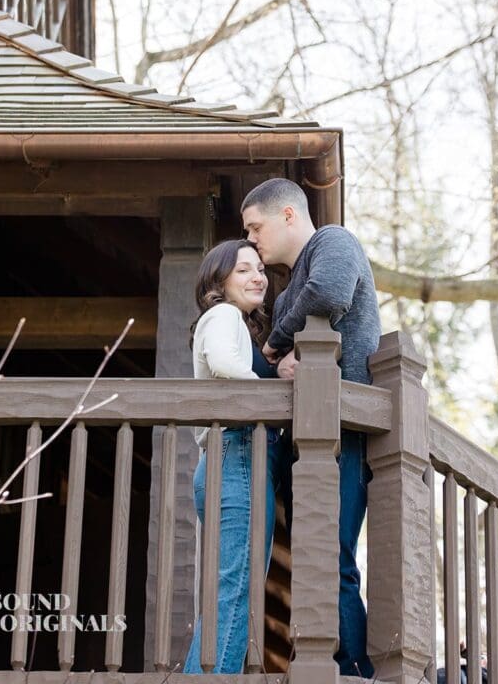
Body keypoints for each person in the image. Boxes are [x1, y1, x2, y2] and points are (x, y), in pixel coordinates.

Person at [241, 178, 380, 679]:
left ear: (287, 215)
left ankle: (354, 670)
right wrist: (277, 360)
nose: (251, 239)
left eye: (255, 227)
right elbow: (281, 363)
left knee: (334, 558)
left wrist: (275, 343)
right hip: (302, 444)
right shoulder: (284, 298)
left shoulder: (333, 242)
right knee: (313, 560)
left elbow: (329, 293)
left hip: (344, 434)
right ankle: (328, 664)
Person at [183, 239, 282, 674]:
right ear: (219, 281)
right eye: (243, 270)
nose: (257, 277)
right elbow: (224, 363)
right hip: (237, 453)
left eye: (259, 269)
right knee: (237, 589)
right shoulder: (223, 314)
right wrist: (276, 397)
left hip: (226, 459)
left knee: (232, 589)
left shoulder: (233, 322)